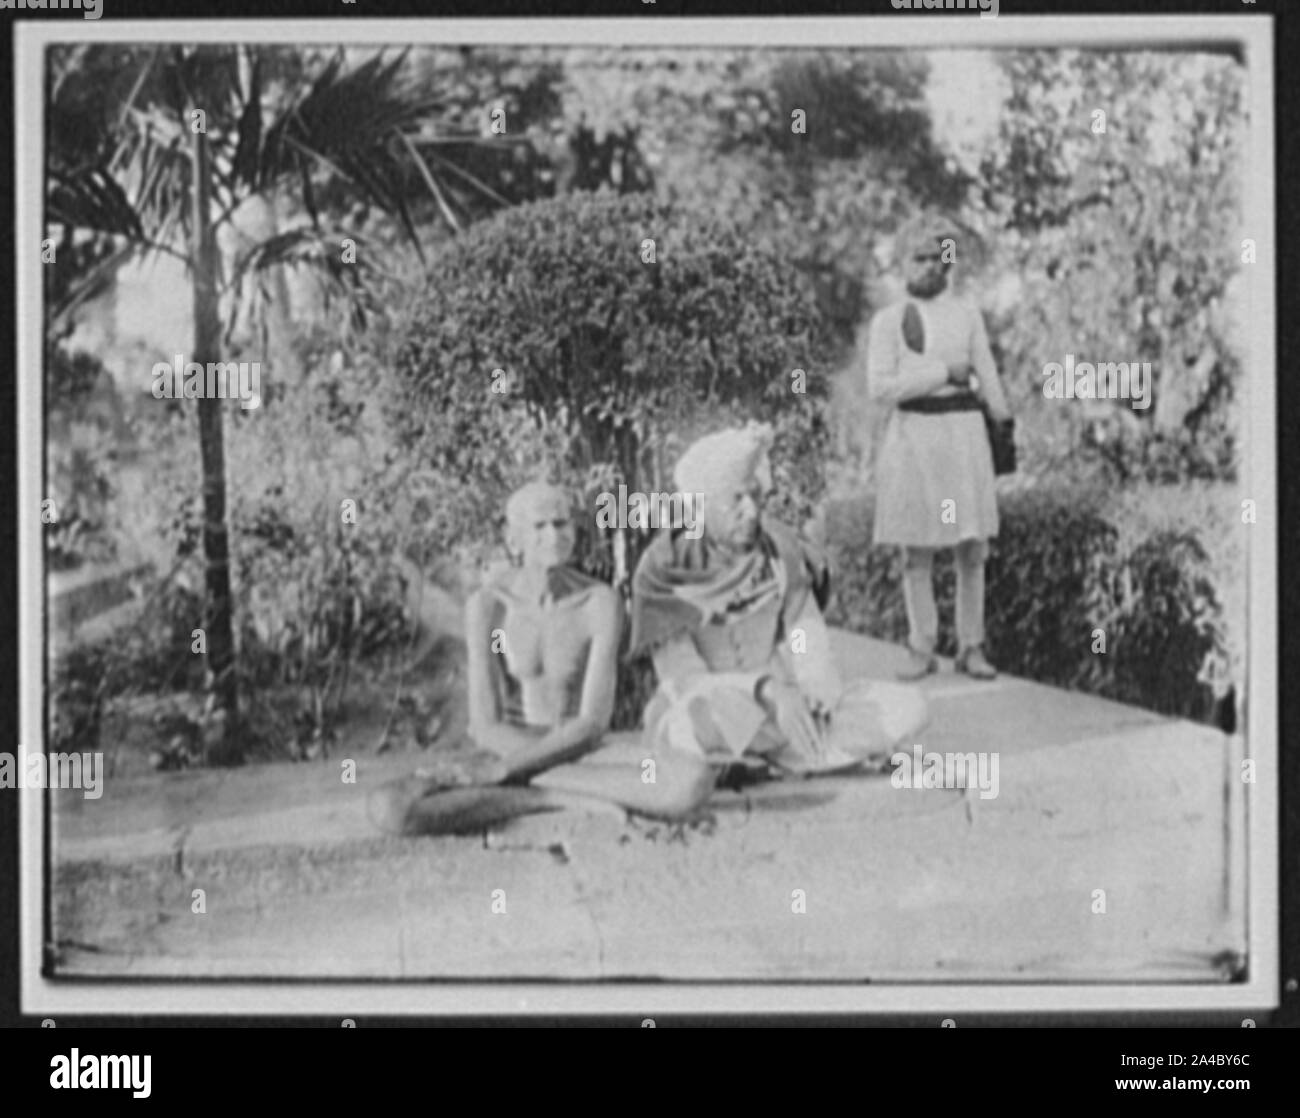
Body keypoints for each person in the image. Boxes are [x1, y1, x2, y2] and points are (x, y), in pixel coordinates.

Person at [368, 481, 716, 836]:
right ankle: (549, 798)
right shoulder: (488, 608)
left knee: (691, 780)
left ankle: (535, 788)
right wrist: (507, 766)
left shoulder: (599, 603)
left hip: (580, 754)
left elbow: (591, 724)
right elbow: (486, 726)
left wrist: (508, 773)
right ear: (514, 538)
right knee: (390, 807)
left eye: (561, 524)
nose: (553, 535)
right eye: (540, 526)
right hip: (503, 752)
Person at [629, 423, 929, 774]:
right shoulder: (664, 569)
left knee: (910, 707)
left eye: (756, 496)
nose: (753, 512)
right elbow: (684, 677)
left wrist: (814, 688)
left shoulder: (779, 552)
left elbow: (801, 636)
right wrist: (767, 692)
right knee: (682, 724)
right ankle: (783, 759)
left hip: (783, 715)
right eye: (736, 499)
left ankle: (766, 759)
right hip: (718, 709)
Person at [866, 213, 1013, 681]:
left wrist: (1003, 420)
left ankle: (972, 646)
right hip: (914, 438)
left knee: (971, 547)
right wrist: (941, 374)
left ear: (949, 262)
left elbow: (986, 373)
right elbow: (881, 387)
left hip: (963, 436)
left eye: (938, 257)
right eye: (920, 257)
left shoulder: (966, 315)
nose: (930, 266)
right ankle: (921, 645)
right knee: (917, 549)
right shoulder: (889, 321)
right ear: (904, 263)